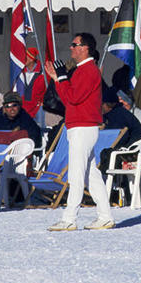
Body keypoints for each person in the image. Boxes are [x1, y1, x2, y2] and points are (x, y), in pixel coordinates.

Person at [44, 32, 114, 231]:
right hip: (80, 125)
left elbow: (73, 97)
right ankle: (105, 216)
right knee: (91, 174)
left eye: (74, 44)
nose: (71, 48)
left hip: (83, 126)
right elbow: (68, 100)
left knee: (76, 174)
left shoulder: (88, 70)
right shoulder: (82, 70)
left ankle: (69, 218)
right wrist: (59, 80)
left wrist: (63, 78)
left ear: (85, 48)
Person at [21, 48, 47, 119]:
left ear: (31, 59)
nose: (22, 59)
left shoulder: (43, 72)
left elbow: (46, 88)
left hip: (38, 108)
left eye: (25, 57)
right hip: (23, 106)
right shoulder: (20, 71)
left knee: (39, 128)